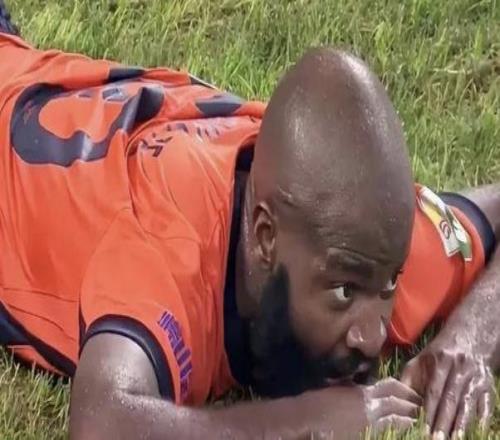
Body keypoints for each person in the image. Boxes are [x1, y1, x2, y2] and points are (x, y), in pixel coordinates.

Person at [0, 3, 498, 439]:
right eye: (345, 291)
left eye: (388, 283)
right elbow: (103, 423)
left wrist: (467, 342)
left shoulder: (361, 236)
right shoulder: (173, 242)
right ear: (264, 237)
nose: (372, 335)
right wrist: (305, 422)